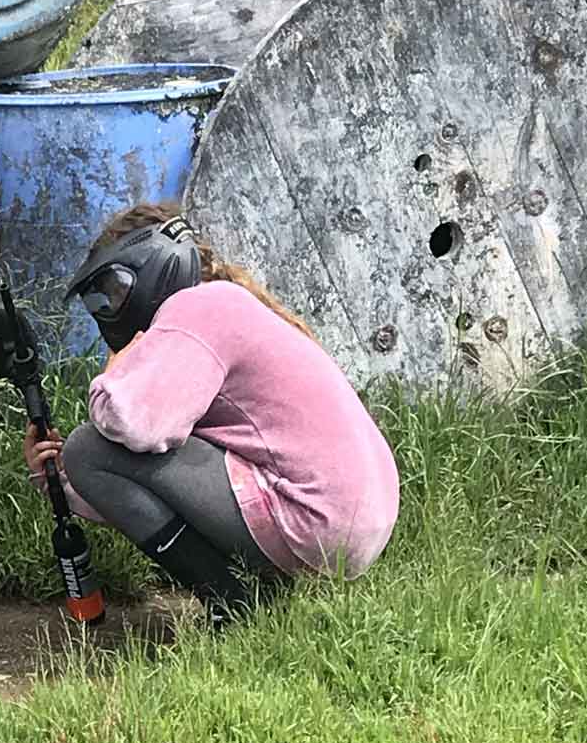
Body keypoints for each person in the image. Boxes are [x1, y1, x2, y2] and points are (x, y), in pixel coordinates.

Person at [24, 202, 400, 629]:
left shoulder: (197, 307)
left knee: (88, 447)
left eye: (115, 288)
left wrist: (117, 367)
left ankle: (234, 605)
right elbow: (147, 482)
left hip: (315, 518)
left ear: (155, 263)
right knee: (88, 454)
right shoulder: (226, 305)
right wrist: (57, 480)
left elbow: (130, 424)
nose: (109, 309)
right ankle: (264, 592)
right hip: (353, 523)